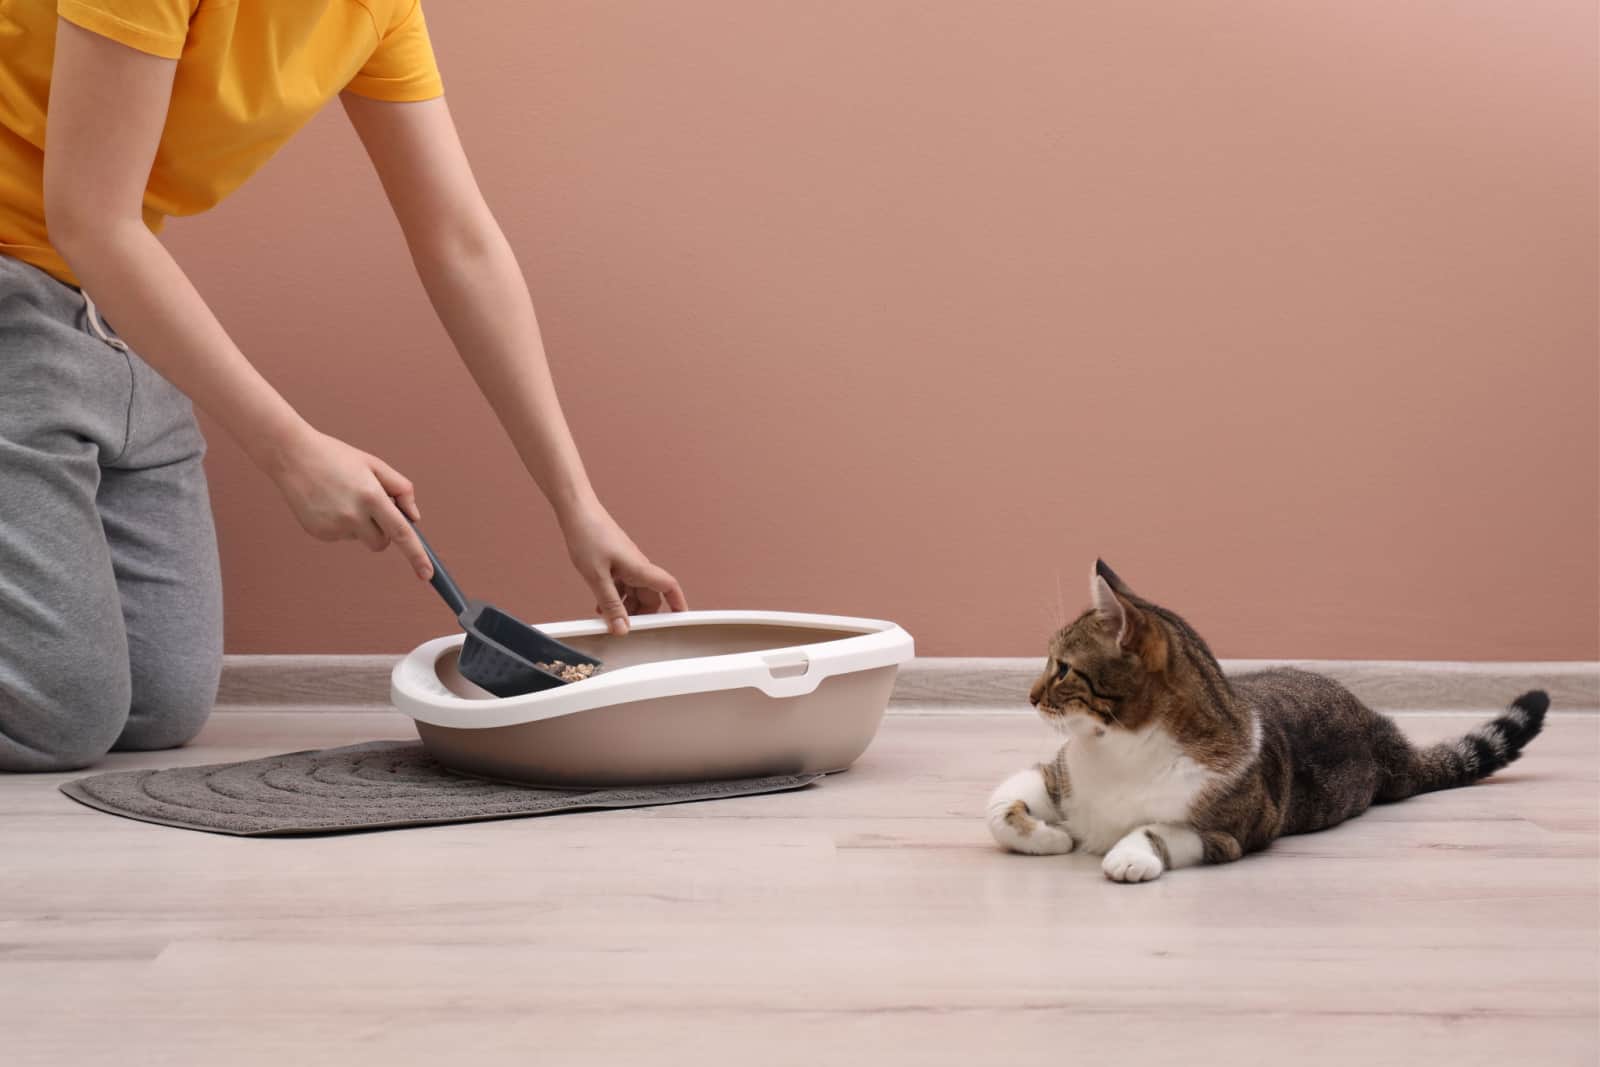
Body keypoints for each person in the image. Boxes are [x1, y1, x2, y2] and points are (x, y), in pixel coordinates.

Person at [0, 2, 686, 772]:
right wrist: (291, 450)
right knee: (58, 718)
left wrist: (578, 504)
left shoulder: (376, 9)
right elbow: (91, 220)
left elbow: (459, 242)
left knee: (161, 707)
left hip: (113, 322)